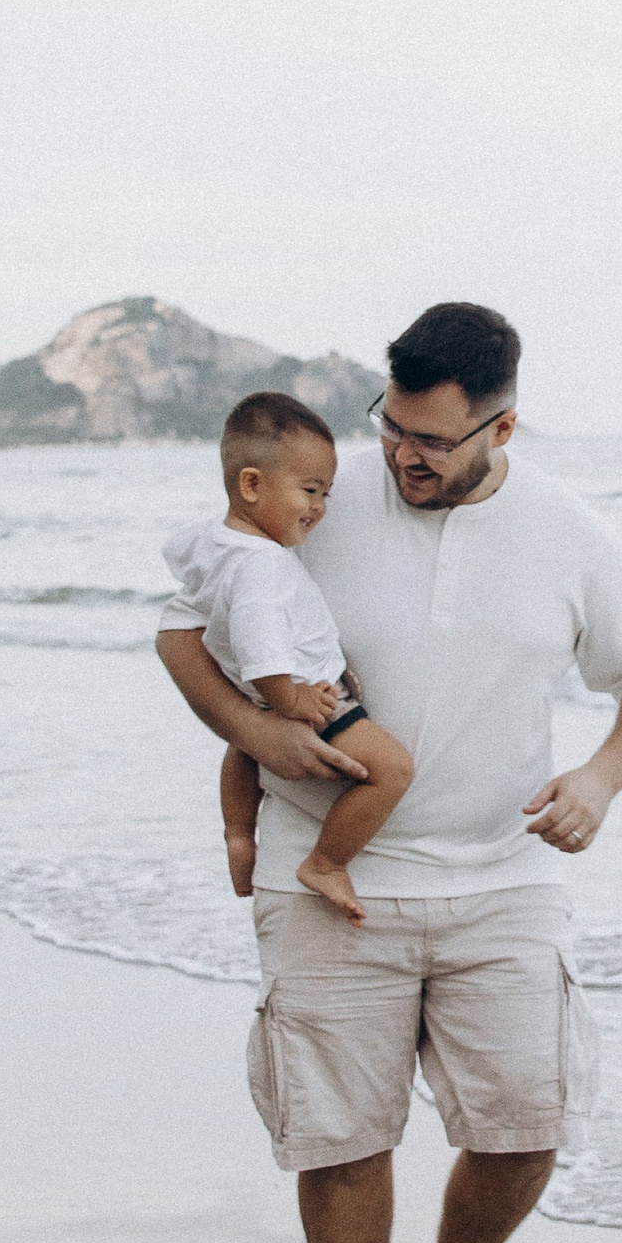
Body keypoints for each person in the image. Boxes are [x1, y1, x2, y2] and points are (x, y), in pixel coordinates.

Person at [157, 301, 622, 1243]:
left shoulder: (572, 532)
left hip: (501, 871)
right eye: (392, 425)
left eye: (434, 440)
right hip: (326, 867)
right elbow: (179, 632)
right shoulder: (316, 491)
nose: (403, 455)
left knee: (524, 1123)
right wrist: (255, 740)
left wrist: (598, 779)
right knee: (340, 1134)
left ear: (503, 427)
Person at [160, 389, 415, 921]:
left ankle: (237, 831)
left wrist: (266, 706)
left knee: (243, 747)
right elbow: (261, 646)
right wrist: (293, 699)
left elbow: (185, 576)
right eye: (309, 490)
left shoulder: (216, 541)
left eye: (325, 493)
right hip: (309, 695)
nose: (319, 508)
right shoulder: (263, 567)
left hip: (262, 700)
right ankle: (326, 861)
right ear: (251, 484)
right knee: (393, 770)